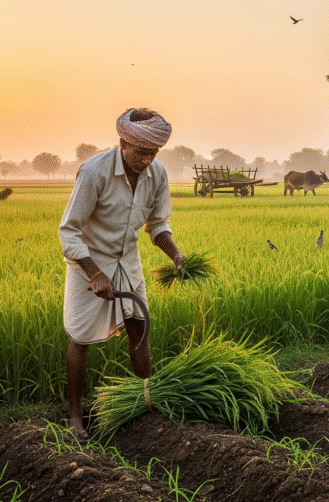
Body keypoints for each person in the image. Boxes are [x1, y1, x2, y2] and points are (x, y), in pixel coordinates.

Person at [58, 107, 186, 440]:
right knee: (80, 336)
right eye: (142, 152)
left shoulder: (157, 174)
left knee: (139, 329)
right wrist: (94, 273)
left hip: (127, 260)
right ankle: (75, 413)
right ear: (122, 142)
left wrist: (175, 254)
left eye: (154, 152)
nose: (148, 159)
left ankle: (145, 402)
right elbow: (69, 231)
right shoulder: (95, 172)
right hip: (89, 261)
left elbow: (157, 225)